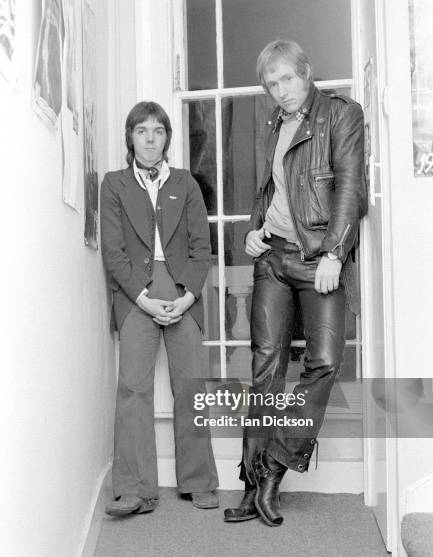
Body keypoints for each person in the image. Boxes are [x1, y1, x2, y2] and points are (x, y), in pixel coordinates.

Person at [224, 41, 367, 526]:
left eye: (287, 79)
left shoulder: (340, 115)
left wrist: (334, 251)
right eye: (272, 84)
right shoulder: (273, 125)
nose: (281, 91)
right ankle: (250, 485)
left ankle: (273, 469)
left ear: (306, 73)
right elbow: (272, 188)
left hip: (317, 258)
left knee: (324, 362)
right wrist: (253, 227)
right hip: (273, 259)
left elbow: (350, 186)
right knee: (265, 370)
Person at [101, 101, 218, 516]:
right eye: (141, 131)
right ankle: (134, 489)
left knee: (192, 388)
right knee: (133, 388)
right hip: (137, 293)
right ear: (130, 138)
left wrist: (188, 296)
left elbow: (202, 248)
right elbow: (114, 254)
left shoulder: (186, 183)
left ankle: (199, 481)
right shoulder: (114, 184)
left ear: (168, 137)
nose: (150, 139)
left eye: (158, 131)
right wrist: (144, 298)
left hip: (183, 287)